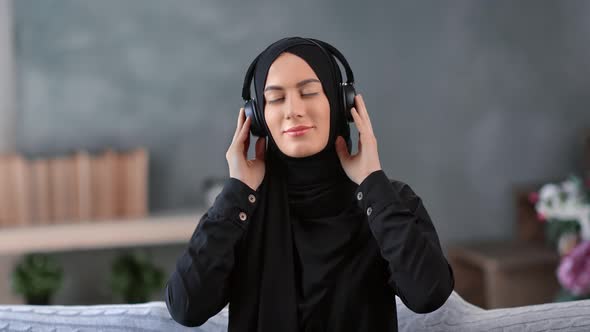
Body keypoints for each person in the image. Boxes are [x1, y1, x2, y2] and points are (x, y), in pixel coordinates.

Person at [165, 37, 454, 331]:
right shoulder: (241, 211)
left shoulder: (386, 201)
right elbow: (186, 307)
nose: (293, 110)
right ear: (257, 118)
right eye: (276, 99)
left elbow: (428, 294)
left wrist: (372, 183)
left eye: (309, 92)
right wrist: (237, 192)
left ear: (342, 103)